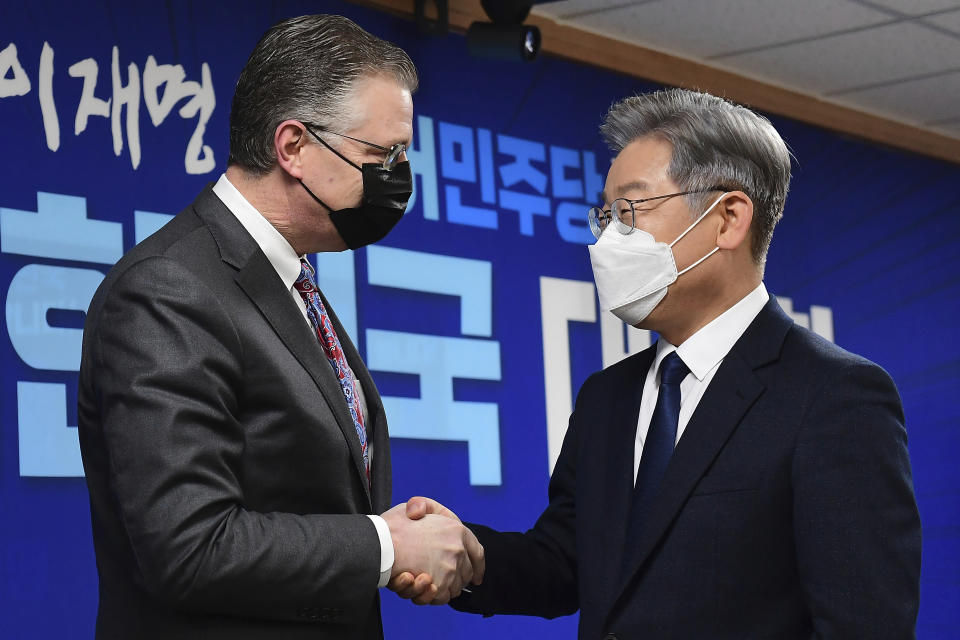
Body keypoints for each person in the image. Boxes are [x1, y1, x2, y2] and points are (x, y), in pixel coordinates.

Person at [396, 88, 922, 638]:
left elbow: (864, 623)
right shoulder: (606, 397)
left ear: (728, 218)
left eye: (631, 210)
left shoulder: (834, 395)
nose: (608, 240)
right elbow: (565, 563)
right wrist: (469, 556)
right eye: (605, 215)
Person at [77, 14, 482, 640]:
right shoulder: (169, 287)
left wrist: (399, 537)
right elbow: (191, 547)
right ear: (292, 146)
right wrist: (384, 545)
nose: (398, 177)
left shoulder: (291, 280)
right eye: (382, 154)